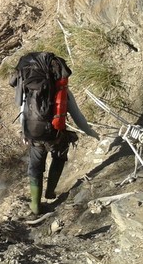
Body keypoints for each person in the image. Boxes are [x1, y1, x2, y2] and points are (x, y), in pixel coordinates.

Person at [9, 52, 100, 216]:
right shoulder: (62, 93)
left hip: (33, 134)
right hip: (54, 134)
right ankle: (50, 191)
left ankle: (35, 205)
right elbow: (78, 118)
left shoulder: (28, 92)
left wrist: (24, 132)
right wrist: (91, 133)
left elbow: (21, 110)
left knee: (35, 167)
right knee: (59, 156)